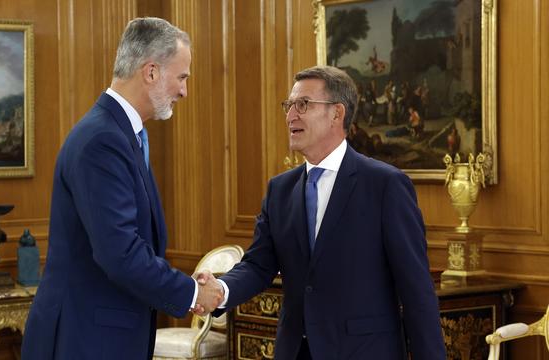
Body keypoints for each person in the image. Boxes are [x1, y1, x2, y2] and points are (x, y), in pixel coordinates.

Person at [197, 66, 446, 359]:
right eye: (288, 106)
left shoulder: (385, 185)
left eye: (303, 105)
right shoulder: (280, 190)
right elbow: (258, 265)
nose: (291, 115)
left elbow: (416, 291)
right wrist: (221, 290)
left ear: (337, 114)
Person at [22, 17, 223, 360]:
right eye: (182, 77)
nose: (184, 91)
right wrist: (191, 293)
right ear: (151, 72)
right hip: (85, 339)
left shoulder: (120, 135)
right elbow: (120, 252)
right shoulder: (103, 140)